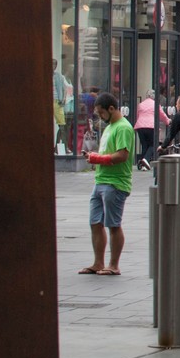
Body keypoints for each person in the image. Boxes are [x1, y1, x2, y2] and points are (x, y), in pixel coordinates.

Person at [81, 93, 135, 276]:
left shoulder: (123, 128)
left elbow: (122, 155)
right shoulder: (111, 127)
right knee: (95, 222)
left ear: (111, 109)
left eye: (101, 113)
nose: (100, 117)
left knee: (113, 224)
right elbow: (109, 152)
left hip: (116, 183)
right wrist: (93, 156)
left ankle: (113, 265)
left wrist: (97, 158)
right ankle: (98, 263)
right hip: (101, 180)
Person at [133, 91, 157, 170]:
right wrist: (168, 121)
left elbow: (138, 115)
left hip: (140, 126)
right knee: (153, 144)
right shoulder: (155, 104)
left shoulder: (141, 104)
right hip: (151, 126)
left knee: (144, 144)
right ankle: (145, 160)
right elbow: (161, 114)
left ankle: (143, 165)